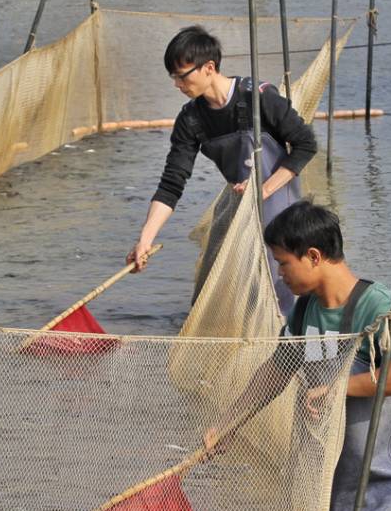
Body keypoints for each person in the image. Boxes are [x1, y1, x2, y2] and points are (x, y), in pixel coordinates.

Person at [205, 200, 391, 511]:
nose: (280, 273)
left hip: (380, 490)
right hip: (325, 484)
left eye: (283, 263)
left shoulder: (379, 308)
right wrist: (228, 423)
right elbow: (277, 370)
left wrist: (341, 386)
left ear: (313, 256)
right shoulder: (305, 309)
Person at [126, 25, 318, 313]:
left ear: (209, 67)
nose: (177, 84)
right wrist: (145, 240)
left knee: (286, 288)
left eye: (182, 75)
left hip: (282, 205)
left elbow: (306, 144)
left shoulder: (258, 97)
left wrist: (263, 189)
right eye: (173, 77)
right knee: (236, 291)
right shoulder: (191, 120)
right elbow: (171, 184)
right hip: (243, 208)